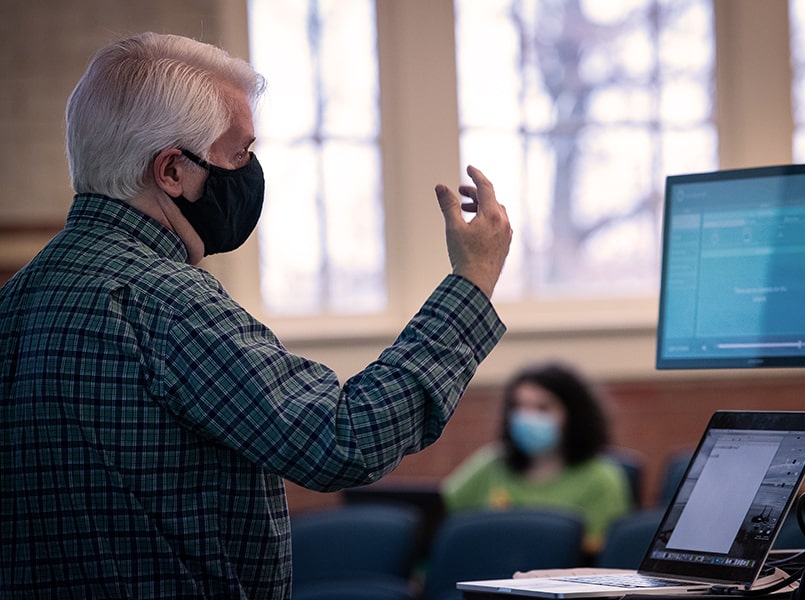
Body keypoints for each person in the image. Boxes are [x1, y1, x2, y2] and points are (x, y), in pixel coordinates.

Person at [0, 32, 512, 598]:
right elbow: (342, 439)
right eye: (238, 153)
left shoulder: (17, 298)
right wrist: (472, 282)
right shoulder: (164, 301)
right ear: (171, 171)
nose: (249, 170)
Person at [442, 362, 630, 558]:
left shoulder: (601, 479)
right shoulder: (491, 465)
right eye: (519, 407)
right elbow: (439, 515)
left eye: (542, 408)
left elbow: (602, 557)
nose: (527, 417)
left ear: (575, 415)